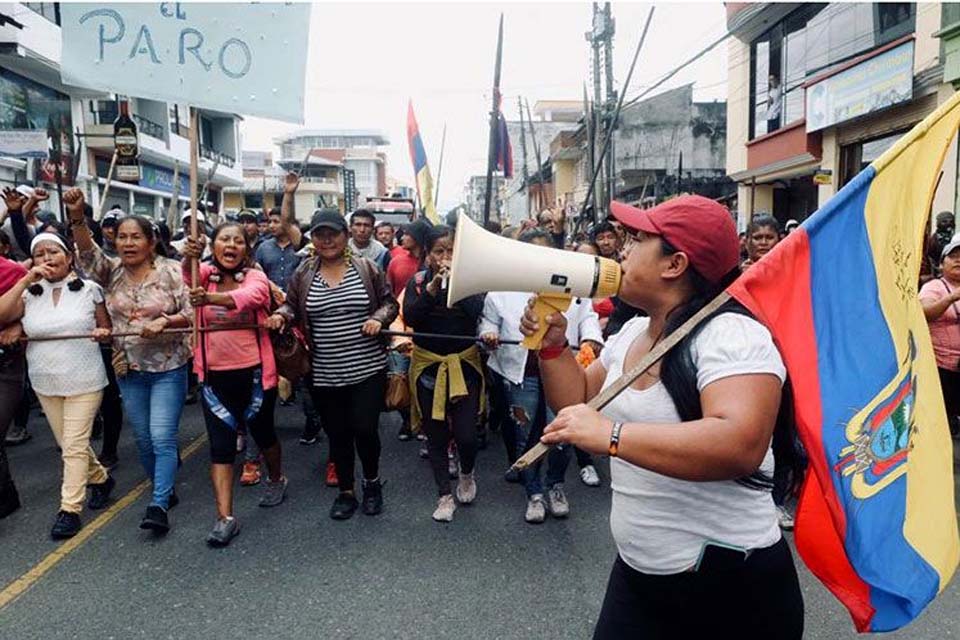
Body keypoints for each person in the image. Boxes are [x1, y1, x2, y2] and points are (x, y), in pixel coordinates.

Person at [523, 195, 803, 638]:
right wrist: (554, 347)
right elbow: (578, 400)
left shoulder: (733, 334)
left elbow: (740, 444)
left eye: (637, 239)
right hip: (640, 574)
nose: (623, 250)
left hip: (727, 585)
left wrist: (613, 437)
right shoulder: (633, 330)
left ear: (674, 265)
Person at [66, 188, 192, 535]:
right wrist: (77, 216)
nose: (128, 243)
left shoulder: (172, 271)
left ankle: (158, 503)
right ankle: (163, 488)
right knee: (143, 439)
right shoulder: (111, 272)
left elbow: (192, 312)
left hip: (169, 366)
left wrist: (165, 321)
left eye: (136, 236)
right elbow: (88, 254)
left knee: (163, 437)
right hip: (128, 368)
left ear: (152, 242)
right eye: (122, 237)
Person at [267, 210, 398, 520]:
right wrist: (281, 315)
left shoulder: (367, 268)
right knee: (338, 435)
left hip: (367, 368)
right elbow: (291, 303)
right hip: (324, 372)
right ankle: (346, 491)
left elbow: (389, 303)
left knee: (365, 430)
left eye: (333, 233)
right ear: (313, 239)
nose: (326, 240)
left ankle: (372, 483)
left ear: (345, 235)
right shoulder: (304, 272)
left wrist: (378, 319)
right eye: (319, 234)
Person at [481, 230, 605, 523]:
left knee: (563, 432)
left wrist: (590, 338)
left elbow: (587, 317)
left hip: (563, 374)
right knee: (526, 433)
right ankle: (533, 492)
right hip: (519, 372)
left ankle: (555, 485)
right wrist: (489, 333)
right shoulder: (502, 288)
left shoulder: (571, 286)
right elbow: (488, 321)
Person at [0, 233, 115, 539]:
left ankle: (69, 509)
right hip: (45, 380)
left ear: (69, 258)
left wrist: (103, 332)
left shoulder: (90, 290)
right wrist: (24, 282)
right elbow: (3, 314)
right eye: (39, 254)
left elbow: (107, 327)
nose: (47, 258)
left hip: (84, 378)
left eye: (53, 252)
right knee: (69, 444)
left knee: (74, 446)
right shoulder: (29, 293)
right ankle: (101, 479)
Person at [181, 225, 288, 547]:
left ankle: (275, 478)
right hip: (214, 378)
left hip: (254, 375)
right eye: (224, 240)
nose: (231, 245)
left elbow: (253, 297)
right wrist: (189, 256)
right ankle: (225, 518)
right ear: (213, 246)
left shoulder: (255, 276)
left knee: (264, 433)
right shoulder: (203, 273)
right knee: (221, 446)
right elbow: (187, 276)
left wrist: (211, 298)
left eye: (238, 240)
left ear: (247, 247)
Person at [403, 225, 485, 522]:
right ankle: (444, 495)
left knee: (466, 435)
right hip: (429, 366)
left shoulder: (472, 282)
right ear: (427, 255)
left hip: (463, 366)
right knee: (436, 434)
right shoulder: (417, 282)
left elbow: (477, 312)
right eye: (439, 251)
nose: (445, 257)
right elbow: (411, 317)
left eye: (451, 251)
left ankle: (466, 472)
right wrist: (432, 291)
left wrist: (455, 287)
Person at [920, 234, 960, 439]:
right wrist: (951, 298)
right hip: (940, 369)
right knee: (941, 424)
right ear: (942, 262)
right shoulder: (934, 287)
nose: (959, 260)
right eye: (954, 256)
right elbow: (924, 313)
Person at [0, 254, 27, 518]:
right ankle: (6, 495)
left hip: (5, 364)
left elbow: (38, 305)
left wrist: (20, 323)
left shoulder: (12, 271)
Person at [386, 218, 430, 298]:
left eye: (406, 234)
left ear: (417, 237)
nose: (402, 238)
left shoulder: (431, 264)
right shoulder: (396, 262)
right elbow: (389, 291)